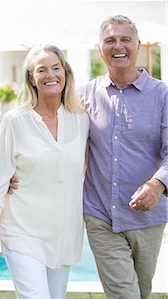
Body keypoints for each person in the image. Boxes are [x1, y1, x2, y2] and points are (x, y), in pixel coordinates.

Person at [0, 44, 89, 299]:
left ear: (66, 72)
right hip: (23, 232)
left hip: (63, 236)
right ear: (31, 77)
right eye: (42, 70)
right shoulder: (15, 121)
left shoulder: (81, 119)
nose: (50, 75)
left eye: (56, 68)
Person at [79, 15, 167, 299]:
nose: (118, 46)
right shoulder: (84, 96)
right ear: (100, 48)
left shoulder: (162, 95)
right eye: (110, 40)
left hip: (148, 218)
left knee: (140, 292)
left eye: (125, 39)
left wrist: (157, 185)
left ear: (138, 45)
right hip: (100, 215)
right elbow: (60, 146)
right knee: (125, 295)